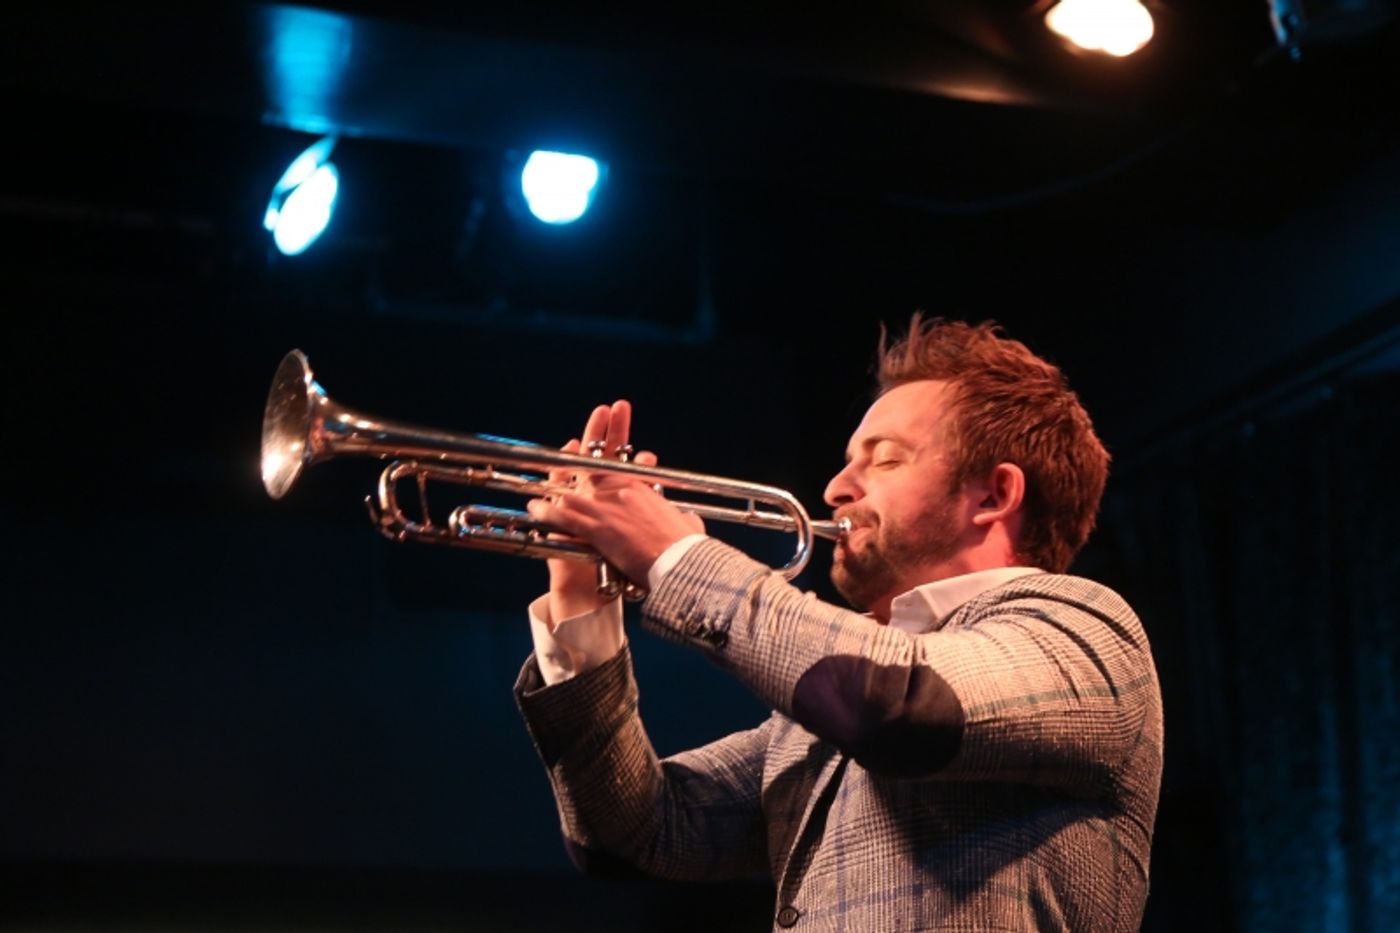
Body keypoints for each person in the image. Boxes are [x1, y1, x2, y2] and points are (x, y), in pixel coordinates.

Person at [513, 315, 1163, 932]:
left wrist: (674, 558)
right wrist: (582, 606)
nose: (834, 487)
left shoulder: (1087, 632)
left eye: (882, 458)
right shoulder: (817, 714)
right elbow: (635, 836)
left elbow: (899, 705)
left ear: (994, 494)